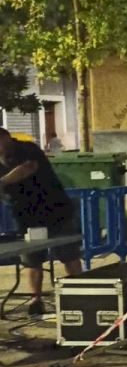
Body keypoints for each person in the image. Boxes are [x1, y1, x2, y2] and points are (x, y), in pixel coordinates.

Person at [0, 127, 83, 317]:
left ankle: (79, 293)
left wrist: (2, 182)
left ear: (6, 138)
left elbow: (29, 167)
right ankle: (35, 300)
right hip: (25, 215)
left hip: (55, 209)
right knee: (31, 259)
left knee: (68, 254)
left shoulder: (27, 149)